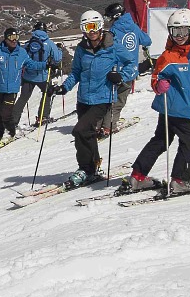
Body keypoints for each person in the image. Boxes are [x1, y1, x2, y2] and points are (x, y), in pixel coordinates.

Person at [122, 8, 190, 194]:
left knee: (161, 140)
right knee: (189, 140)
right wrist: (160, 85)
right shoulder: (168, 56)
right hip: (173, 106)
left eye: (182, 31)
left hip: (179, 106)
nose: (179, 36)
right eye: (175, 31)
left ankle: (138, 176)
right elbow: (155, 79)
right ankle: (180, 180)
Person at [51, 11, 135, 187]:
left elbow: (132, 64)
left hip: (102, 98)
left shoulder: (113, 47)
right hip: (83, 99)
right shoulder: (82, 49)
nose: (92, 31)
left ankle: (85, 169)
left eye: (95, 26)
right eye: (87, 27)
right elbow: (76, 72)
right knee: (87, 134)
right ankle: (94, 166)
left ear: (101, 26)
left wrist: (120, 76)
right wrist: (64, 87)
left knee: (80, 131)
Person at [0, 28, 49, 147]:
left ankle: (10, 132)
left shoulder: (21, 52)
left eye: (16, 37)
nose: (14, 41)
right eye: (11, 38)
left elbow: (31, 64)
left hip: (12, 89)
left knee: (6, 113)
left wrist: (46, 64)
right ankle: (0, 133)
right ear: (5, 38)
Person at [101, 2, 152, 137]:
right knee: (120, 99)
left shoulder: (113, 31)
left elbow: (108, 49)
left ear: (116, 16)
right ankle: (109, 124)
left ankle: (106, 126)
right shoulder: (134, 27)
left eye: (109, 17)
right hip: (130, 70)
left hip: (115, 71)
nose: (109, 20)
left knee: (110, 99)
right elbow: (147, 41)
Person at [11, 22, 63, 128]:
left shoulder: (29, 43)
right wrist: (59, 50)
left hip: (27, 76)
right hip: (42, 76)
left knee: (23, 98)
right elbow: (57, 58)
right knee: (47, 93)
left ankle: (13, 121)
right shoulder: (49, 43)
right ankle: (42, 117)